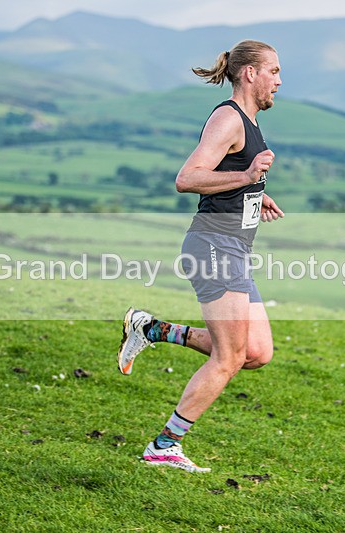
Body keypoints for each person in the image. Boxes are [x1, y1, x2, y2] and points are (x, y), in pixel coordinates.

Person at [117, 39, 284, 473]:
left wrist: (255, 192)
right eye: (274, 72)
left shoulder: (249, 121)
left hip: (234, 249)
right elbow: (187, 178)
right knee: (229, 357)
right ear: (249, 73)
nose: (279, 82)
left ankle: (152, 329)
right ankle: (164, 445)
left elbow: (227, 176)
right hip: (215, 246)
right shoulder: (228, 118)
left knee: (257, 352)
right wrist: (247, 175)